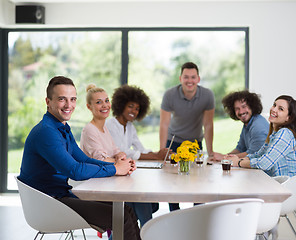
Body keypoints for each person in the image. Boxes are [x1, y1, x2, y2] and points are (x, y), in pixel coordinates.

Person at [18, 76, 141, 240]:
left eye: (73, 99)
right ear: (48, 101)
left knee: (126, 210)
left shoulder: (62, 127)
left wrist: (117, 167)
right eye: (62, 99)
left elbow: (83, 160)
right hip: (49, 204)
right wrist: (115, 169)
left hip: (60, 197)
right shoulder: (46, 132)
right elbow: (75, 170)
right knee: (121, 216)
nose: (69, 105)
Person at [82, 84, 157, 227]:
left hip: (110, 180)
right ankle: (143, 233)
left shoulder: (103, 128)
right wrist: (123, 163)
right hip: (96, 185)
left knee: (141, 201)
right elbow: (100, 159)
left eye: (106, 101)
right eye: (98, 102)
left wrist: (123, 159)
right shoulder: (90, 130)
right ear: (89, 107)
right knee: (134, 206)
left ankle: (144, 233)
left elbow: (116, 151)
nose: (104, 105)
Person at [159, 62, 216, 211]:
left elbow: (208, 125)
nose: (189, 80)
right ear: (180, 78)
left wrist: (210, 153)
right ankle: (174, 214)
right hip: (174, 142)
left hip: (195, 143)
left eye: (193, 77)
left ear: (198, 78)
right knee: (172, 181)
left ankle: (197, 214)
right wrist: (162, 150)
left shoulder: (207, 95)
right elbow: (164, 124)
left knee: (199, 181)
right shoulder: (170, 95)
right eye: (186, 77)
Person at [226, 95, 296, 177]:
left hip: (284, 187)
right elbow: (258, 154)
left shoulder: (284, 134)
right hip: (276, 184)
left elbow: (264, 163)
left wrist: (238, 162)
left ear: (288, 118)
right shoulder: (275, 134)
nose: (274, 109)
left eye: (280, 109)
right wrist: (240, 159)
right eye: (274, 105)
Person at [214, 90, 269, 161]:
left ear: (252, 107)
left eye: (244, 107)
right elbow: (240, 148)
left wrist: (225, 158)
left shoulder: (258, 126)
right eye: (237, 109)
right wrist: (225, 156)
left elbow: (255, 154)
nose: (241, 111)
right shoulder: (248, 124)